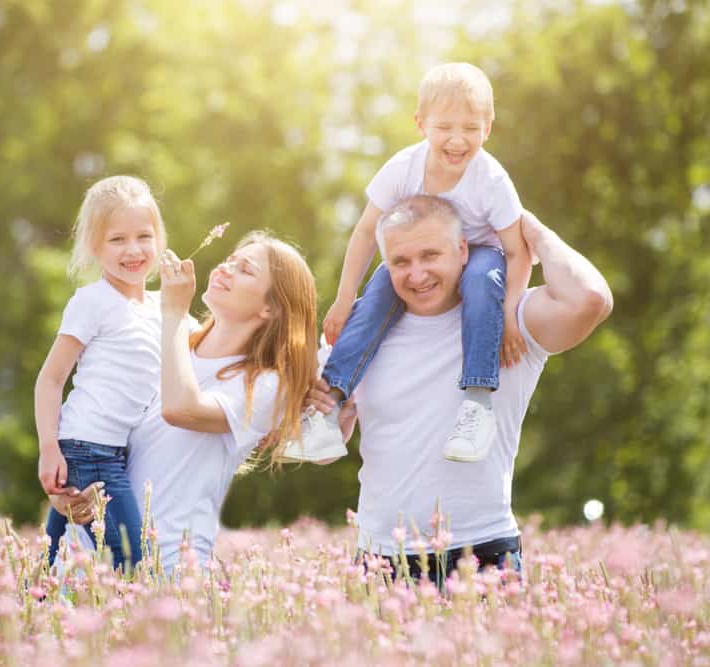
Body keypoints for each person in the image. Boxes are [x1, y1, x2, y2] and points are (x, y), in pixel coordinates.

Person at [310, 195, 612, 584]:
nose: (416, 274)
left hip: (480, 554)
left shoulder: (508, 323)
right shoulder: (355, 337)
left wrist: (527, 229)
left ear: (463, 248)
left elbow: (591, 299)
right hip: (380, 560)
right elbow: (322, 455)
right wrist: (340, 418)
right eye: (400, 261)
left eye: (430, 255)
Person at [292, 62, 532, 464]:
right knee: (379, 291)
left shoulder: (491, 180)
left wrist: (510, 312)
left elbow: (518, 251)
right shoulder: (404, 167)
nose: (458, 140)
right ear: (421, 124)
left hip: (477, 254)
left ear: (488, 128)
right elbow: (368, 231)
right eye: (445, 128)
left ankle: (476, 402)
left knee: (479, 277)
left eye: (471, 129)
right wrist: (344, 295)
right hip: (424, 256)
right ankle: (328, 406)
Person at [52, 232, 318, 574]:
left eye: (245, 270)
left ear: (272, 307)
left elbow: (181, 409)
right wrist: (66, 490)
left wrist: (174, 311)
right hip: (85, 562)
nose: (226, 268)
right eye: (231, 260)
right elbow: (99, 423)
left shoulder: (265, 384)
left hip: (169, 566)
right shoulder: (172, 338)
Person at [34, 175, 166, 570]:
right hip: (86, 450)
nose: (133, 250)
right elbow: (51, 378)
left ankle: (19, 623)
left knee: (50, 560)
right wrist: (48, 447)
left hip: (114, 452)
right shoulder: (93, 301)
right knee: (132, 559)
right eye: (117, 239)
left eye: (144, 236)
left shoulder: (158, 308)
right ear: (94, 246)